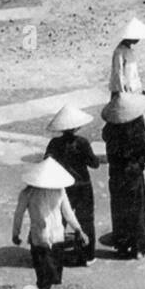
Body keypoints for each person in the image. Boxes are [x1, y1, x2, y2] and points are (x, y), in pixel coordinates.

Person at [13, 158, 85, 289]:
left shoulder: (27, 193)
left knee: (43, 277)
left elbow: (18, 215)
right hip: (58, 237)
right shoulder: (60, 191)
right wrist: (78, 229)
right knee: (56, 277)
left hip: (39, 239)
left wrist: (16, 233)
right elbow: (68, 213)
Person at [44, 105, 99, 265]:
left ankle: (55, 255)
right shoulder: (82, 142)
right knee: (85, 221)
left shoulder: (54, 144)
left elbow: (46, 162)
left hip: (63, 187)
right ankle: (87, 256)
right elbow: (94, 163)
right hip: (82, 186)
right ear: (76, 127)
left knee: (60, 220)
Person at [101, 92, 145, 258]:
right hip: (133, 173)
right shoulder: (137, 126)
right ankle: (138, 247)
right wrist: (139, 164)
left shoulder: (110, 128)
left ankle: (122, 245)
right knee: (137, 209)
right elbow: (144, 149)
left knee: (120, 209)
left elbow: (106, 139)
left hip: (116, 173)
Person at [110, 17, 145, 98]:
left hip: (132, 90)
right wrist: (122, 91)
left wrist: (139, 88)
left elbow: (133, 73)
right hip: (123, 91)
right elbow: (118, 73)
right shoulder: (119, 52)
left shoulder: (130, 51)